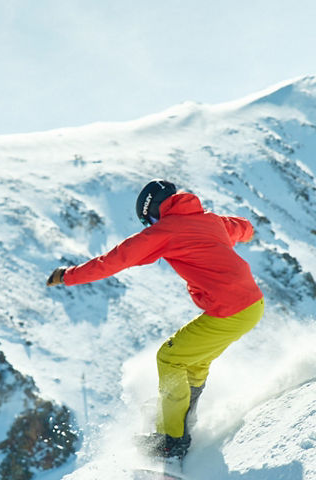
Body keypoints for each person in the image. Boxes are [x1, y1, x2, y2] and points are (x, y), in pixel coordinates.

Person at [46, 179, 264, 460]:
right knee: (194, 363)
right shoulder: (210, 220)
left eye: (148, 220)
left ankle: (172, 442)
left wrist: (68, 275)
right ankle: (183, 419)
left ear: (155, 210)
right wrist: (247, 232)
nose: (150, 226)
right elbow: (241, 227)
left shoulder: (166, 230)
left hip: (231, 310)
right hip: (251, 305)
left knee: (170, 358)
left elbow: (115, 260)